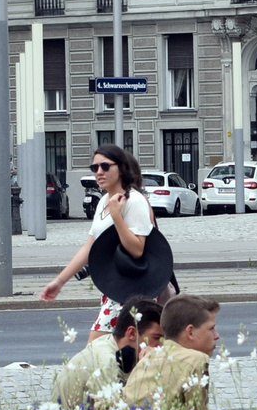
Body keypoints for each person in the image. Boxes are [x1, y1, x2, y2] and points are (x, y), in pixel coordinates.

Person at [37, 144, 167, 339]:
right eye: (95, 168)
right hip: (114, 285)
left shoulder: (134, 200)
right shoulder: (103, 202)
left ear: (121, 168)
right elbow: (90, 246)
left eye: (105, 167)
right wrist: (60, 281)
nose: (99, 172)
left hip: (133, 290)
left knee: (96, 348)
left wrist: (116, 216)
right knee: (125, 354)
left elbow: (137, 249)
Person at [124, 294, 219, 410]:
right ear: (190, 332)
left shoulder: (149, 358)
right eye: (211, 329)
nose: (216, 335)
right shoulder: (197, 359)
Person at [53, 301, 162, 410]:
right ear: (132, 333)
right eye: (157, 338)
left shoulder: (110, 342)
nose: (161, 345)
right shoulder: (108, 363)